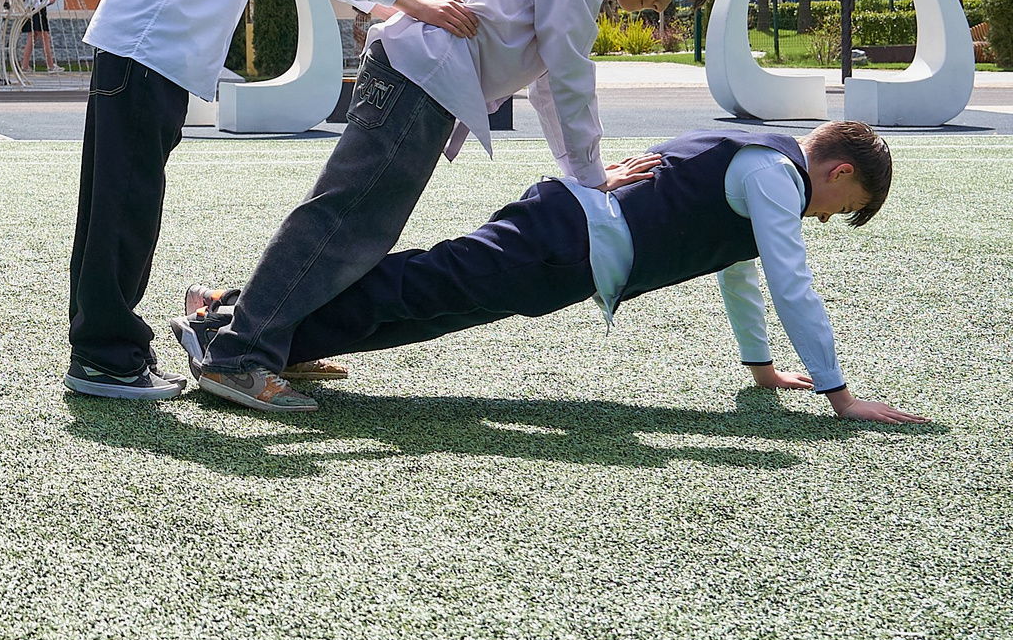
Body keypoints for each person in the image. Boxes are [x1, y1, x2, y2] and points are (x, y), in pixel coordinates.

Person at [184, 0, 716, 411]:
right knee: (346, 222)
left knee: (355, 226)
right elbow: (570, 76)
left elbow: (551, 87)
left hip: (416, 79)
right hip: (415, 81)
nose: (661, 6)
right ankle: (238, 354)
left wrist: (587, 174)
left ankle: (242, 327)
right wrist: (593, 176)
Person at [65, 0, 480, 402]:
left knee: (117, 203)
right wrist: (410, 4)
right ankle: (104, 359)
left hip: (139, 54)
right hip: (142, 55)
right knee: (123, 206)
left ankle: (107, 351)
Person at [174, 122, 926, 425]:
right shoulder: (776, 176)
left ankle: (256, 331)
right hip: (564, 240)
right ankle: (227, 325)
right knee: (418, 289)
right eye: (843, 206)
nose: (826, 218)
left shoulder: (762, 169)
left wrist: (761, 369)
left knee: (421, 306)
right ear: (839, 171)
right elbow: (791, 282)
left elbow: (741, 274)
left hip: (567, 250)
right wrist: (840, 396)